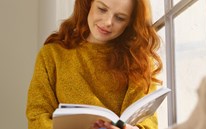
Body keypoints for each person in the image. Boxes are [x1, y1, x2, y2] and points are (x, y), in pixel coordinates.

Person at [26, 0, 162, 128]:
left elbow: (147, 122)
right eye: (102, 9)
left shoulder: (139, 62)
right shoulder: (52, 55)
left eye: (120, 18)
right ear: (88, 3)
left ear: (130, 23)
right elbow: (37, 117)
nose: (108, 22)